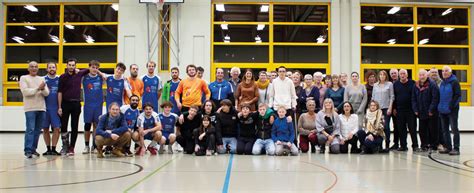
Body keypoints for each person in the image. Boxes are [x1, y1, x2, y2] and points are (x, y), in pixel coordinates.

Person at [58, 58, 90, 156]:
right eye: (70, 65)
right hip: (65, 104)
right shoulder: (62, 77)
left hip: (76, 104)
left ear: (75, 66)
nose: (71, 67)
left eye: (73, 65)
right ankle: (65, 146)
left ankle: (72, 147)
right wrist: (59, 107)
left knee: (74, 126)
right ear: (66, 66)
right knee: (63, 126)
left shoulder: (79, 74)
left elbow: (88, 69)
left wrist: (79, 70)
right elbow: (59, 92)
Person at [20, 61, 50, 158]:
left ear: (38, 68)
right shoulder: (24, 78)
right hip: (30, 109)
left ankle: (33, 149)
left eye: (36, 67)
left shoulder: (42, 79)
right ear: (28, 69)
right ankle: (28, 150)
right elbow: (26, 92)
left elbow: (46, 93)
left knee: (37, 130)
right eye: (32, 67)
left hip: (41, 108)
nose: (34, 68)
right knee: (30, 129)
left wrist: (42, 89)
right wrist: (38, 88)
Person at [412, 69, 439, 152]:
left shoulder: (432, 84)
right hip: (421, 112)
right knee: (422, 130)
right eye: (420, 75)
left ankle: (433, 145)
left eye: (423, 75)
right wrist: (415, 109)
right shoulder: (416, 85)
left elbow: (435, 98)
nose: (421, 76)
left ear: (427, 75)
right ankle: (424, 145)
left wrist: (431, 110)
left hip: (431, 112)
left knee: (432, 129)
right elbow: (413, 98)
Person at [438, 66, 461, 155]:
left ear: (450, 72)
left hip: (452, 110)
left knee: (454, 129)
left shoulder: (454, 82)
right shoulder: (442, 83)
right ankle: (448, 147)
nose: (444, 72)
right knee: (445, 130)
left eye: (446, 71)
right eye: (443, 71)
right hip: (442, 110)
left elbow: (457, 95)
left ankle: (456, 148)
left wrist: (451, 106)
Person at [393, 69, 418, 152]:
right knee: (401, 129)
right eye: (401, 74)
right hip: (400, 110)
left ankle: (415, 146)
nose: (402, 75)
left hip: (410, 110)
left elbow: (416, 96)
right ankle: (403, 146)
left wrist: (416, 108)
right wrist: (394, 108)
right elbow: (394, 97)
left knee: (412, 129)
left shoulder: (412, 83)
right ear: (399, 75)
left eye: (404, 73)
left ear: (407, 75)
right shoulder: (395, 84)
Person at [82, 60, 103, 154]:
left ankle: (94, 146)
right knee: (87, 125)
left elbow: (112, 77)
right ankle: (86, 146)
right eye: (93, 67)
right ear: (89, 67)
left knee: (96, 125)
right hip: (88, 106)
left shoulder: (101, 77)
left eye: (96, 68)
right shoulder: (84, 78)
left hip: (98, 105)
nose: (94, 69)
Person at [371, 70, 394, 152]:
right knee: (378, 128)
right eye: (380, 74)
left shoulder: (389, 84)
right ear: (378, 76)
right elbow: (373, 98)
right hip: (378, 110)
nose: (382, 76)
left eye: (383, 75)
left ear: (386, 76)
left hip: (386, 108)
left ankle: (387, 145)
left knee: (386, 127)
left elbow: (392, 96)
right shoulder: (375, 85)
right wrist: (372, 109)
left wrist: (390, 108)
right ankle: (379, 145)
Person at [41, 62, 61, 156]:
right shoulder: (43, 79)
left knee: (57, 128)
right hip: (45, 108)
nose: (51, 69)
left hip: (55, 108)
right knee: (45, 129)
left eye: (53, 67)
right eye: (50, 67)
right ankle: (48, 149)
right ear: (47, 69)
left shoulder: (60, 78)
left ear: (56, 68)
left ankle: (54, 149)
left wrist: (60, 107)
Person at [429, 67, 445, 151]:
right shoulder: (427, 83)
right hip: (430, 109)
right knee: (431, 127)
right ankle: (432, 143)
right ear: (429, 74)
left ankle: (441, 143)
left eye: (435, 72)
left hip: (439, 108)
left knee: (440, 127)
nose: (434, 74)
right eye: (432, 72)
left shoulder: (442, 83)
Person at [388, 68, 400, 150]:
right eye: (392, 73)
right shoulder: (389, 84)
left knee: (398, 127)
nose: (393, 75)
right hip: (389, 108)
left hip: (398, 108)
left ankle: (398, 143)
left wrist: (395, 108)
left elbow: (397, 97)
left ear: (398, 73)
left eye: (395, 73)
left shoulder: (400, 82)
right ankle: (394, 143)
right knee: (391, 126)